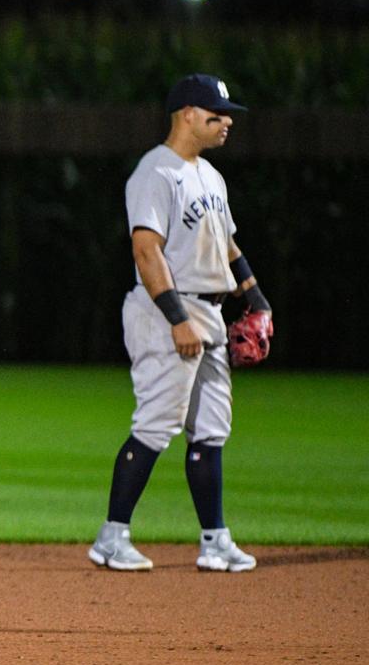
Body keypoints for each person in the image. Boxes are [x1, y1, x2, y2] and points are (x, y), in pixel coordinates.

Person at [88, 73, 272, 573]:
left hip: (209, 311)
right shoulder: (157, 172)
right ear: (188, 114)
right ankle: (111, 537)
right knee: (156, 424)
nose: (227, 121)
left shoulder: (210, 176)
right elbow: (146, 250)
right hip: (166, 311)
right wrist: (177, 318)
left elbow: (228, 246)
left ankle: (214, 541)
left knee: (210, 429)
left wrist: (255, 299)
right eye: (217, 114)